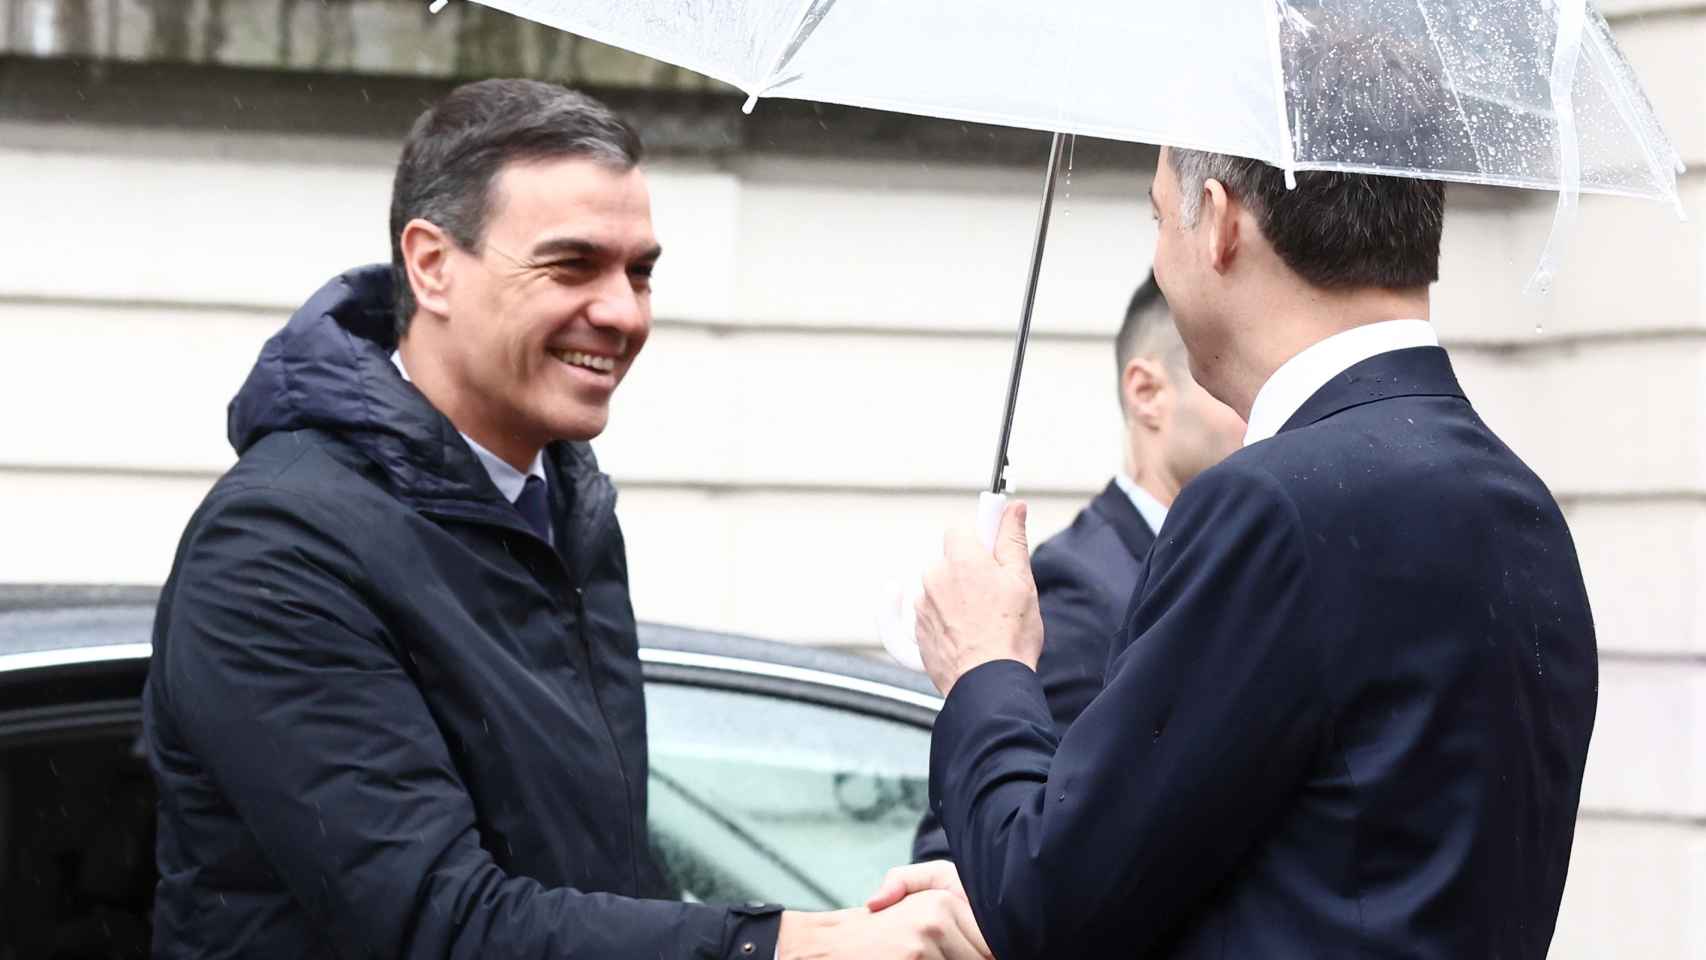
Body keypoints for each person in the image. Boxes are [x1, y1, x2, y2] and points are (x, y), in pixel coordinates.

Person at [144, 78, 988, 960]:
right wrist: (791, 946)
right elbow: (439, 924)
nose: (623, 312)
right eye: (571, 265)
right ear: (431, 265)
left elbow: (592, 883)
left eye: (641, 271)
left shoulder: (564, 508)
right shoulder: (277, 548)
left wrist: (863, 926)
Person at [880, 141, 1599, 958]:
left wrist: (984, 665)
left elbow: (1051, 901)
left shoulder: (1271, 505)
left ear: (1219, 223)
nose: (1159, 254)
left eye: (1159, 217)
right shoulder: (1521, 504)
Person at [911, 275, 1243, 862]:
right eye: (1228, 378)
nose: (1260, 406)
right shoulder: (1081, 590)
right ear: (1147, 393)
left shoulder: (1231, 563)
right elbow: (977, 841)